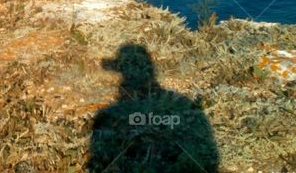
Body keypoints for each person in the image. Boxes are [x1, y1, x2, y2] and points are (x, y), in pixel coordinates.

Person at [88, 44, 219, 171]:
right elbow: (210, 159)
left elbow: (99, 164)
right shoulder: (184, 105)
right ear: (150, 71)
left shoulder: (110, 116)